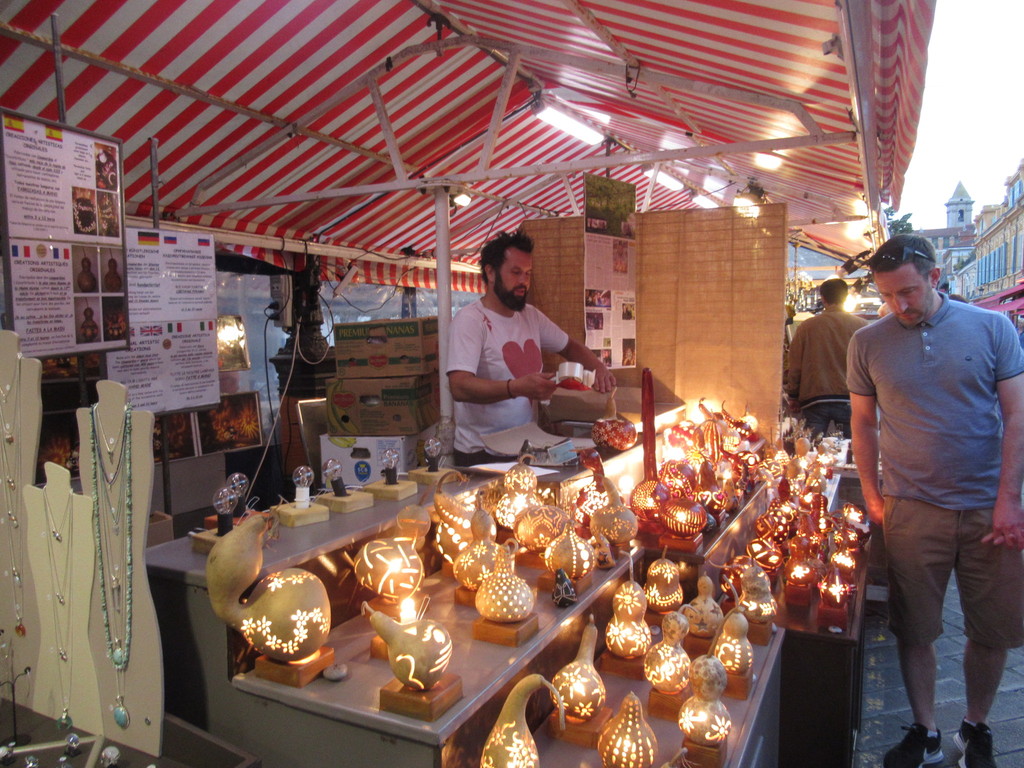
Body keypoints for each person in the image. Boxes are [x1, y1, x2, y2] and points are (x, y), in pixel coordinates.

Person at [847, 234, 1024, 768]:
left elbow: (1016, 415)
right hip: (911, 504)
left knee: (991, 627)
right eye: (887, 295)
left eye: (907, 291)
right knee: (914, 626)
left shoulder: (992, 328)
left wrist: (1009, 499)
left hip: (987, 507)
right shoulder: (867, 342)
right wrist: (873, 495)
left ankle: (975, 726)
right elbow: (863, 422)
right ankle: (925, 730)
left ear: (934, 278)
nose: (898, 305)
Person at [447, 230, 615, 465]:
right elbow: (459, 386)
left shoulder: (530, 316)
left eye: (527, 274)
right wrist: (515, 388)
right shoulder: (471, 320)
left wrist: (599, 368)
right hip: (482, 453)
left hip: (525, 447)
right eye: (515, 272)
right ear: (491, 272)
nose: (523, 282)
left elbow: (569, 346)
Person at [784, 277, 867, 440]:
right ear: (845, 297)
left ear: (823, 298)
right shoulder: (862, 326)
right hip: (851, 397)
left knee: (809, 448)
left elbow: (795, 364)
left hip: (815, 398)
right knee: (852, 447)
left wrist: (793, 395)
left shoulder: (807, 327)